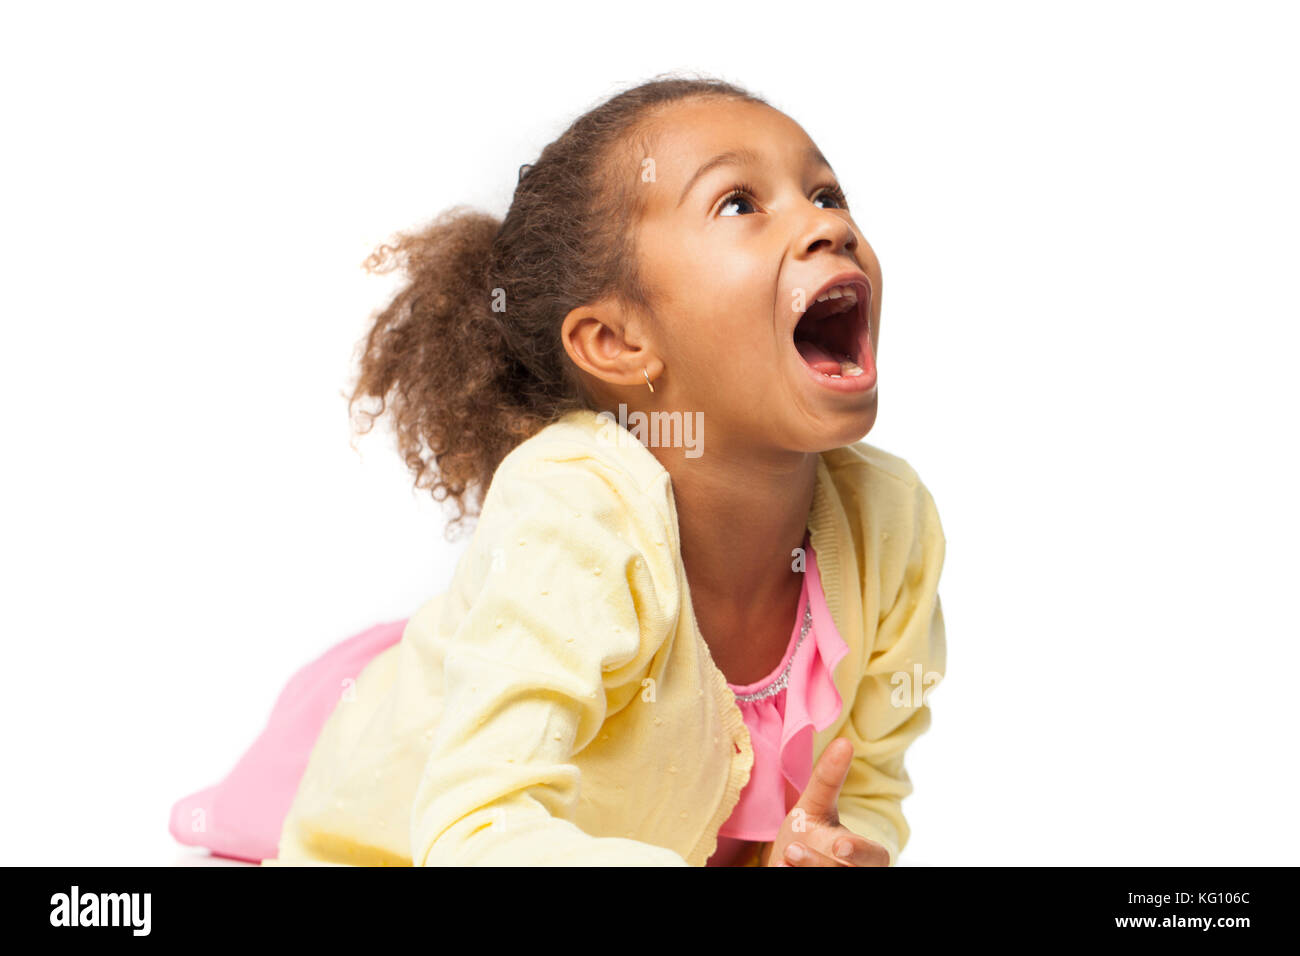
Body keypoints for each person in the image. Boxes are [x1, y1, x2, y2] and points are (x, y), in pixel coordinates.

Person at [169, 73, 947, 867]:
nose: (827, 226)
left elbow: (867, 783)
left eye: (827, 193)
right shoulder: (577, 514)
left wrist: (822, 849)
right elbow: (478, 831)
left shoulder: (889, 523)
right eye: (739, 204)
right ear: (617, 342)